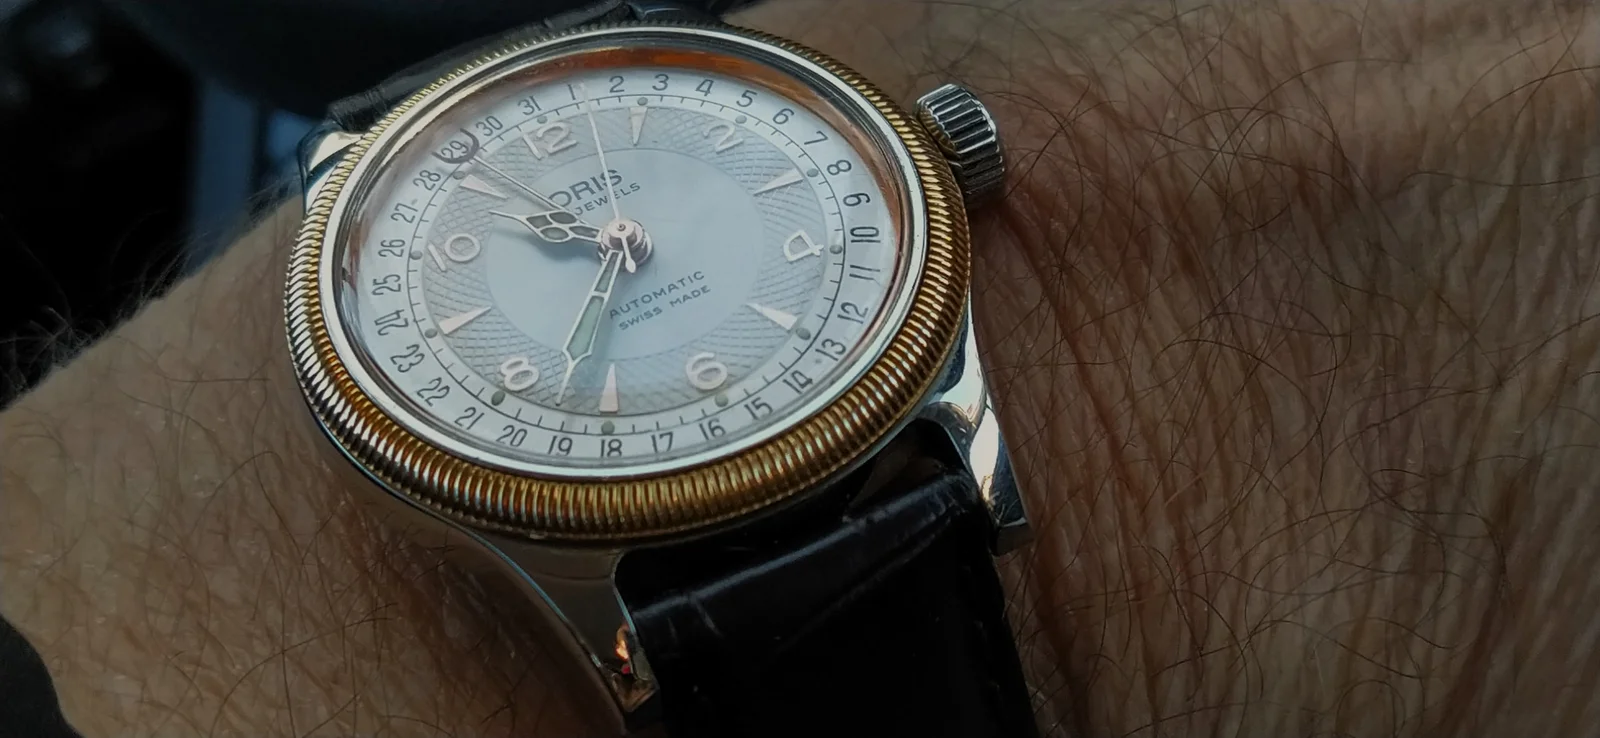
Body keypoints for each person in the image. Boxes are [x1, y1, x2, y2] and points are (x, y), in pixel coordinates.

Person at [2, 0, 1596, 735]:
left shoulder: (848, 211)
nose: (628, 240)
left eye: (628, 226)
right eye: (605, 233)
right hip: (609, 576)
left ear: (939, 149)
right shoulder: (405, 266)